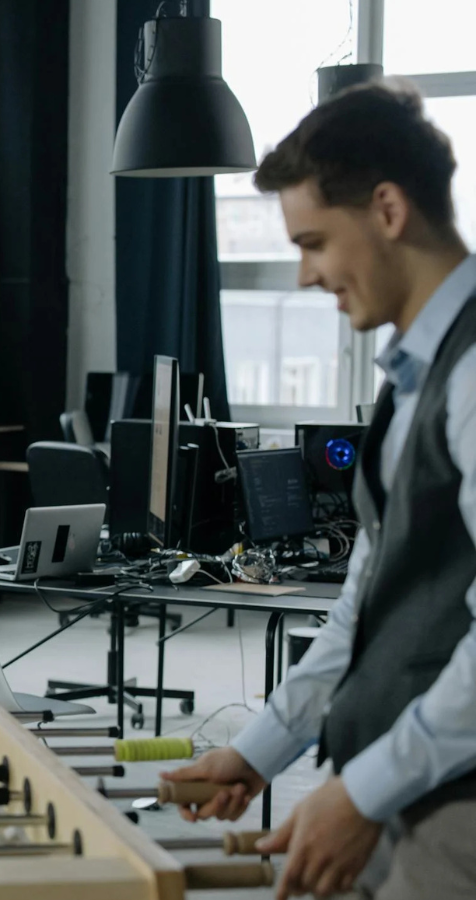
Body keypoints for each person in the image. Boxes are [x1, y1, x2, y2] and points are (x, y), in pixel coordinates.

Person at [164, 84, 476, 899]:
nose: (305, 275)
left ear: (386, 209)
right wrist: (259, 749)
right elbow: (361, 612)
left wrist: (365, 791)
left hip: (455, 810)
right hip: (391, 787)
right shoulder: (412, 378)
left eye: (313, 242)